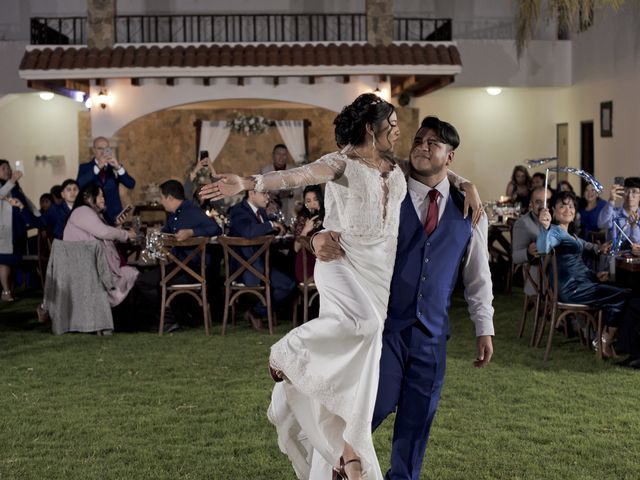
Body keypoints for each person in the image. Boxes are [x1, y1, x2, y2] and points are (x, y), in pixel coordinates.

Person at [200, 94, 482, 480]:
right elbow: (297, 176)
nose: (403, 133)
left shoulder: (395, 167)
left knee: (362, 365)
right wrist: (249, 181)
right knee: (365, 326)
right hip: (342, 261)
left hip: (378, 276)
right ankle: (288, 350)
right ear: (373, 127)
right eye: (395, 124)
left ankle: (347, 453)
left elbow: (435, 172)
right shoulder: (341, 163)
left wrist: (466, 182)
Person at [314, 116, 494, 480]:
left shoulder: (470, 211)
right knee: (365, 415)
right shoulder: (387, 190)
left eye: (434, 143)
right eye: (420, 140)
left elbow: (478, 275)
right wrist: (317, 237)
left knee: (414, 436)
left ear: (450, 156)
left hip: (431, 338)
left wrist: (484, 327)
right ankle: (335, 468)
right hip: (385, 331)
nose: (423, 146)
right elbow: (341, 219)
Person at [537, 190, 629, 357]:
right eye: (562, 206)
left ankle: (603, 338)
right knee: (623, 296)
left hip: (582, 284)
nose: (568, 210)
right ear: (552, 210)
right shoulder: (555, 232)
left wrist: (595, 274)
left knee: (621, 290)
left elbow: (588, 249)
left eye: (571, 206)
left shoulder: (570, 235)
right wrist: (544, 227)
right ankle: (604, 340)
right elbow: (543, 248)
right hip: (574, 289)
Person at [134, 179, 222, 333]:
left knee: (144, 281)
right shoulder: (174, 215)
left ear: (170, 198)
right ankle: (165, 319)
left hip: (191, 270)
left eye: (162, 198)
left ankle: (167, 320)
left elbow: (216, 228)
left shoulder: (192, 211)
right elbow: (165, 233)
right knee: (146, 278)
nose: (161, 202)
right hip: (178, 267)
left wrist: (192, 232)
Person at [227, 188, 294, 330]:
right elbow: (248, 231)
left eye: (268, 193)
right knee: (285, 280)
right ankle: (257, 311)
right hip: (247, 268)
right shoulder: (238, 211)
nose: (267, 197)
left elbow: (266, 235)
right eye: (264, 193)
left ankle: (256, 312)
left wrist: (278, 231)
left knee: (288, 284)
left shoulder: (262, 212)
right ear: (251, 194)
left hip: (265, 263)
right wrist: (270, 225)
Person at [63, 184, 138, 307]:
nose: (103, 199)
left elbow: (103, 237)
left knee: (132, 275)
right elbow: (102, 232)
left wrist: (118, 227)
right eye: (99, 196)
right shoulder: (82, 211)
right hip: (87, 268)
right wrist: (126, 234)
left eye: (103, 196)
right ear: (87, 198)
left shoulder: (93, 214)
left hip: (92, 265)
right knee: (132, 275)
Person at [77, 136, 136, 224]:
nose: (103, 152)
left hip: (114, 216)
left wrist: (118, 167)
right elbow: (79, 185)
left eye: (106, 149)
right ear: (94, 150)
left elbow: (131, 184)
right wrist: (97, 168)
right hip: (94, 215)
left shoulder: (114, 167)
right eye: (100, 148)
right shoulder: (85, 168)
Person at [0, 160, 33, 301]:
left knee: (14, 261)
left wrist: (36, 216)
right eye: (3, 168)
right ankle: (5, 292)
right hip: (4, 230)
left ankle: (11, 290)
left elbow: (25, 201)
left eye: (8, 168)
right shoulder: (6, 186)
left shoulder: (14, 186)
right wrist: (12, 180)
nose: (7, 170)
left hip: (17, 228)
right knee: (4, 261)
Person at [512, 187, 553, 296]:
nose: (544, 206)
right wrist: (528, 252)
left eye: (547, 202)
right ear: (531, 204)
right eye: (538, 202)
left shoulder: (558, 219)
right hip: (537, 273)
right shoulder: (523, 223)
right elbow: (516, 257)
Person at [14, 179, 79, 240]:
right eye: (68, 189)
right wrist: (21, 206)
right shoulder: (56, 210)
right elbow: (37, 222)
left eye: (75, 189)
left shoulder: (84, 209)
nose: (72, 192)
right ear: (62, 194)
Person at [260, 144, 303, 220]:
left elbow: (299, 189)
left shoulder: (293, 170)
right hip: (271, 200)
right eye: (278, 154)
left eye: (284, 154)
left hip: (289, 201)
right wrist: (270, 194)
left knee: (291, 205)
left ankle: (289, 227)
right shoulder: (265, 170)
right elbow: (261, 189)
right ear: (273, 155)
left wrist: (289, 193)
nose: (281, 157)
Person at [292, 185, 324, 282]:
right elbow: (296, 248)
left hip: (325, 261)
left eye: (315, 199)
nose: (312, 204)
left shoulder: (329, 215)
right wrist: (305, 230)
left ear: (321, 199)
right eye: (308, 201)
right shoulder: (303, 217)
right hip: (306, 264)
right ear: (305, 203)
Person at [598, 177, 640, 248]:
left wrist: (634, 227)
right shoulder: (614, 213)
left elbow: (636, 243)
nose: (629, 196)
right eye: (626, 191)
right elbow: (601, 224)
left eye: (634, 191)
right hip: (614, 256)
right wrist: (611, 200)